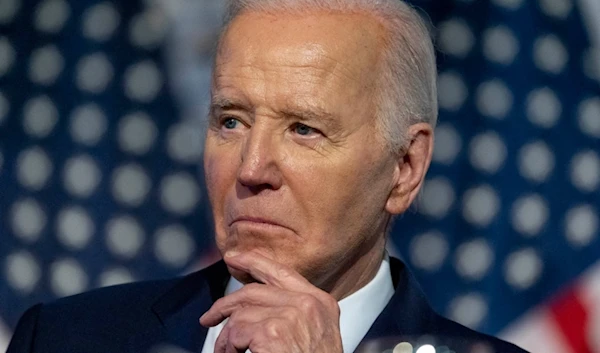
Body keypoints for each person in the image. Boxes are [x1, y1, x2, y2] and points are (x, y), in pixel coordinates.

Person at [8, 0, 528, 352]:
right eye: (231, 121)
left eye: (303, 129)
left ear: (405, 167)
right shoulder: (65, 338)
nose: (252, 169)